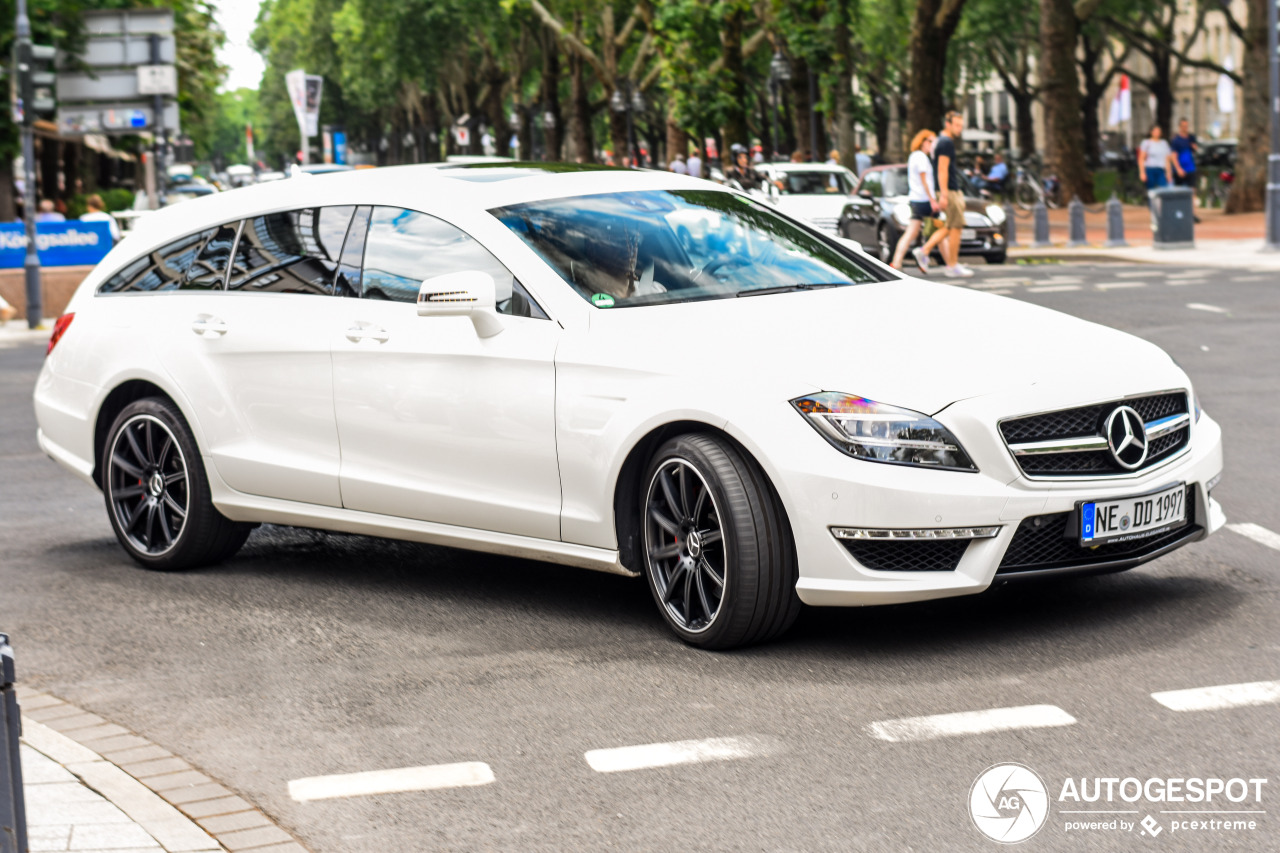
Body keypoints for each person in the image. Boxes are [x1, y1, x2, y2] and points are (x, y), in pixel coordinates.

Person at [916, 111, 972, 278]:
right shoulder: (946, 142)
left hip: (948, 189)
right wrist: (945, 194)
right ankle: (952, 266)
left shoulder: (940, 141)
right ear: (947, 124)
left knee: (949, 226)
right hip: (949, 190)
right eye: (956, 125)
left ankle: (924, 251)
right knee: (956, 227)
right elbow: (942, 169)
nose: (959, 129)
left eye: (961, 125)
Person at [889, 130, 939, 272]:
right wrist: (932, 200)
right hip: (924, 199)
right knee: (943, 230)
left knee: (913, 232)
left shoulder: (914, 156)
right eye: (930, 141)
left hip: (916, 199)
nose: (932, 145)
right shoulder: (921, 157)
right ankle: (928, 255)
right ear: (922, 141)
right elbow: (925, 181)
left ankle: (898, 262)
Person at [1170, 117, 1201, 222]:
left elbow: (1195, 149)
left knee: (1192, 191)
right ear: (1179, 127)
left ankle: (1193, 214)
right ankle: (1178, 213)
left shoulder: (1191, 138)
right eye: (1183, 126)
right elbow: (1173, 156)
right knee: (1178, 192)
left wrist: (1195, 146)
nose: (1185, 128)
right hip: (1179, 169)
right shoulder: (1176, 140)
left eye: (1186, 126)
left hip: (1190, 168)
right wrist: (1178, 168)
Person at [1138, 125, 1173, 195]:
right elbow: (1141, 158)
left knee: (1164, 190)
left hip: (1161, 170)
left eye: (1158, 131)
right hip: (1150, 169)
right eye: (1155, 131)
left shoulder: (1164, 143)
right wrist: (1142, 172)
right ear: (1151, 132)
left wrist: (1169, 173)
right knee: (1151, 191)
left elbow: (1167, 159)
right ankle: (1152, 205)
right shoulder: (1146, 143)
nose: (1157, 133)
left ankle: (1162, 205)